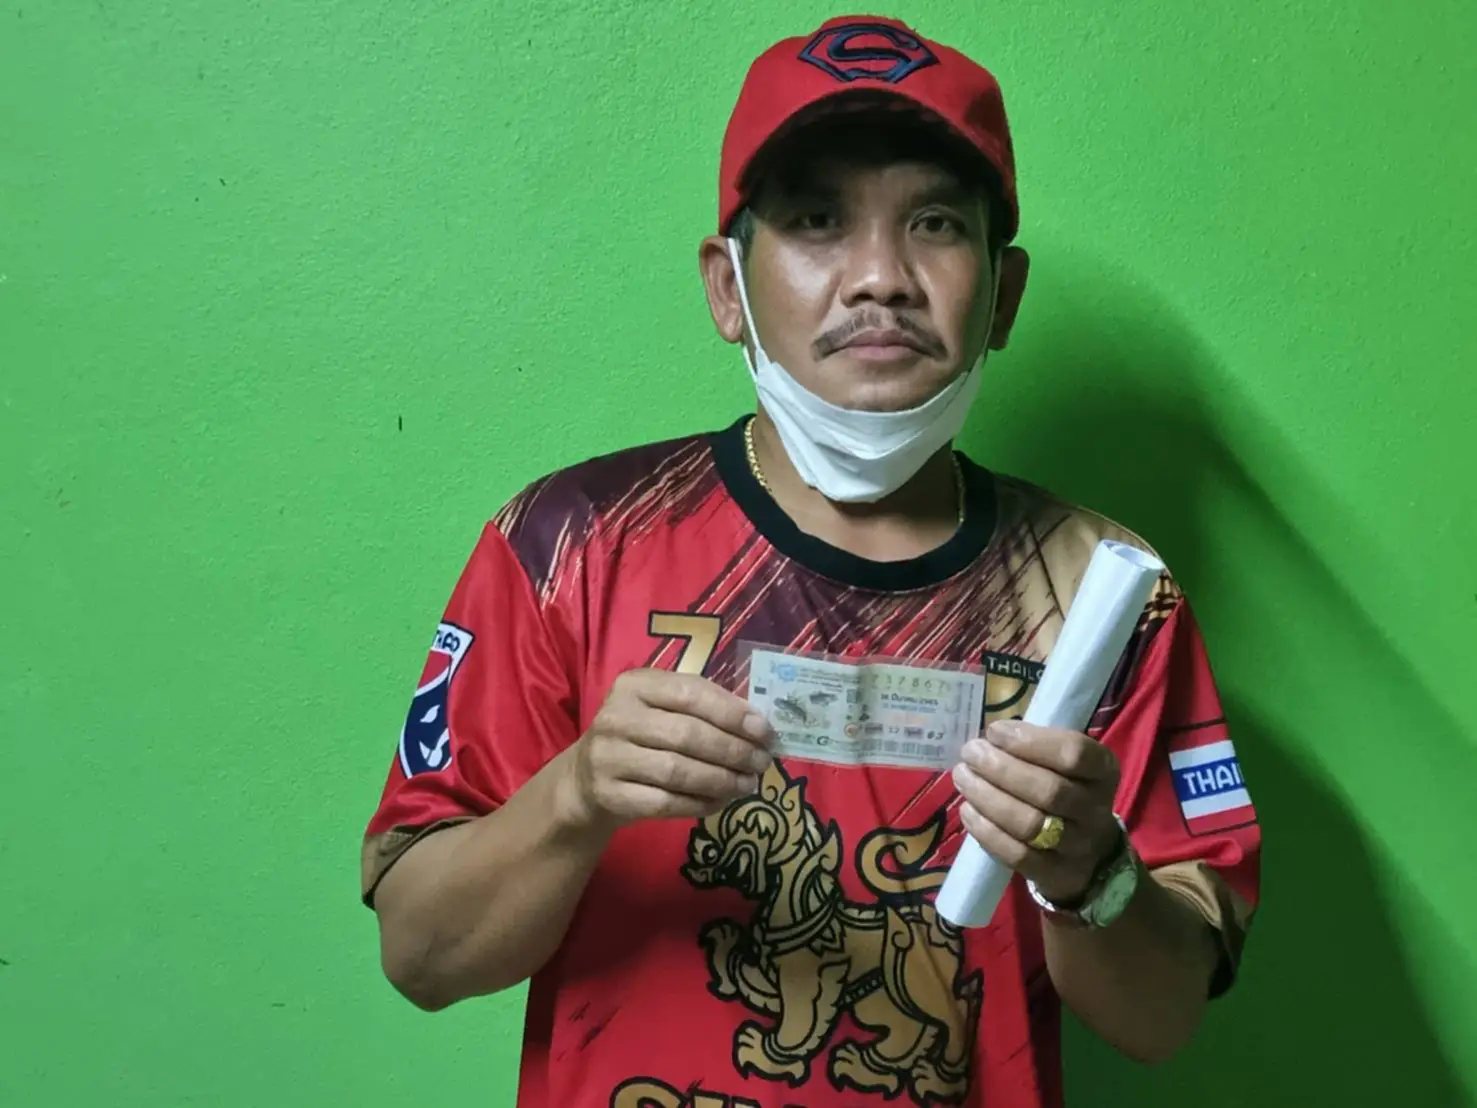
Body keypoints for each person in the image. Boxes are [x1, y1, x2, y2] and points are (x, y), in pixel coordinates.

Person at [359, 15, 1262, 1108]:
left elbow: (1160, 1021)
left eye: (935, 223)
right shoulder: (569, 545)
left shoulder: (1106, 593)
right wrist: (576, 797)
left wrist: (1088, 870)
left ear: (1005, 292)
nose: (879, 276)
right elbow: (420, 956)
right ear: (726, 288)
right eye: (815, 220)